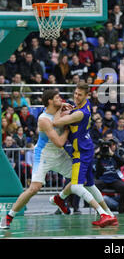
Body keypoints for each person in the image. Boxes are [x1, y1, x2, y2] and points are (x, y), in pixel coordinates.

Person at [1, 89, 72, 229]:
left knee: (82, 178)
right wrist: (67, 129)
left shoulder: (62, 110)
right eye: (57, 97)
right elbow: (59, 142)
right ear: (50, 101)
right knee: (34, 188)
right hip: (44, 155)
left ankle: (60, 198)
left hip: (59, 155)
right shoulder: (43, 118)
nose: (61, 99)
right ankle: (9, 216)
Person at [51, 82, 118, 227]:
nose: (76, 96)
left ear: (87, 95)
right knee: (90, 185)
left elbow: (56, 123)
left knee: (76, 186)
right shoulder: (84, 104)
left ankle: (103, 214)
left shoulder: (81, 113)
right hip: (86, 148)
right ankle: (111, 215)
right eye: (75, 93)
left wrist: (59, 108)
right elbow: (74, 109)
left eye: (79, 95)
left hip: (80, 151)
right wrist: (69, 107)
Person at [95, 138, 124, 214]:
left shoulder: (114, 156)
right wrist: (99, 155)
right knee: (94, 186)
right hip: (103, 179)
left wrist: (112, 154)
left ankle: (121, 210)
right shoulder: (99, 157)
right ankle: (99, 210)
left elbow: (122, 162)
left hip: (114, 179)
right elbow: (97, 173)